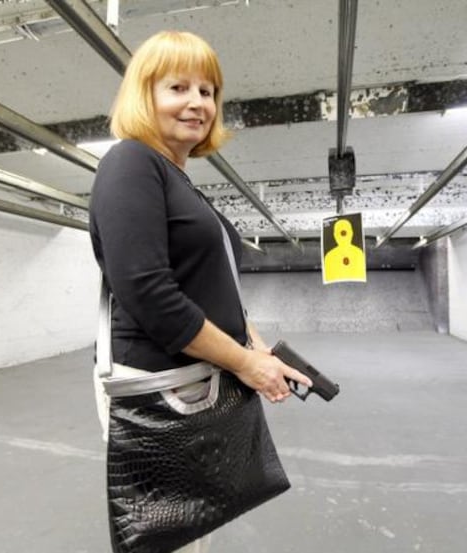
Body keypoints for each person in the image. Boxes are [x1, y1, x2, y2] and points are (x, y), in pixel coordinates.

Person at [88, 30, 312, 553]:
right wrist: (244, 361)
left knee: (194, 530)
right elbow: (150, 295)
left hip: (193, 372)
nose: (198, 103)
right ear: (144, 96)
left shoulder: (176, 178)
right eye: (178, 88)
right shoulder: (130, 163)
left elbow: (215, 290)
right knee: (170, 535)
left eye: (208, 91)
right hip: (161, 378)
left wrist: (256, 347)